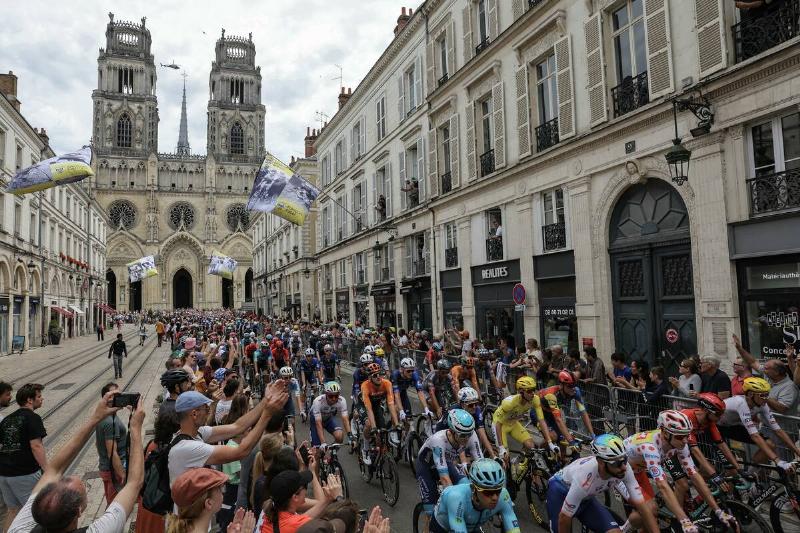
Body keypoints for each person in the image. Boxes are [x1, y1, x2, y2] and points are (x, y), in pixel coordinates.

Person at [8, 391, 145, 533]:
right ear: (79, 511)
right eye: (83, 488)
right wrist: (135, 428)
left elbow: (54, 469)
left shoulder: (18, 529)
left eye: (61, 481)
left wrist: (95, 418)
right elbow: (134, 484)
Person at [624, 410, 738, 533]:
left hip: (638, 470)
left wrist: (718, 511)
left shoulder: (679, 442)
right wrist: (684, 520)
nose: (685, 440)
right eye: (680, 436)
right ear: (665, 433)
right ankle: (623, 530)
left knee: (650, 522)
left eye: (687, 435)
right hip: (621, 473)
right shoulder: (649, 448)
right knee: (650, 510)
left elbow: (694, 475)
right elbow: (662, 486)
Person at [167, 382, 287, 488]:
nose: (209, 412)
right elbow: (241, 451)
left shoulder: (197, 433)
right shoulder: (188, 448)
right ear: (194, 414)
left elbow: (237, 427)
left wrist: (266, 401)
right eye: (206, 410)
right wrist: (267, 414)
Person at [547, 434, 658, 533]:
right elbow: (564, 518)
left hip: (586, 499)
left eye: (624, 460)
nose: (624, 467)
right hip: (560, 492)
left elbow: (642, 506)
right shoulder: (584, 479)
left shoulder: (624, 468)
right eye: (617, 463)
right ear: (601, 462)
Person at [716, 377, 800, 471]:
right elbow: (755, 436)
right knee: (732, 469)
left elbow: (778, 430)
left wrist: (797, 452)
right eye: (763, 395)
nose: (766, 398)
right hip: (716, 427)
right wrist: (778, 461)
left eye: (767, 395)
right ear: (750, 394)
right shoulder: (740, 403)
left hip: (732, 426)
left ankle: (749, 475)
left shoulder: (762, 404)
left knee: (770, 444)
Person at [416, 410, 483, 514]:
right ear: (452, 431)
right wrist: (454, 501)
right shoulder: (439, 440)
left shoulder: (471, 435)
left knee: (466, 485)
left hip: (446, 463)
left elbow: (481, 464)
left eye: (469, 434)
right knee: (431, 511)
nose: (466, 438)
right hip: (426, 466)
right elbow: (444, 478)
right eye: (462, 435)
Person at [0, 383, 46, 531]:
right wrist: (48, 470)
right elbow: (36, 446)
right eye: (38, 396)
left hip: (4, 474)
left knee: (12, 511)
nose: (42, 399)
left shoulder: (7, 419)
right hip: (24, 474)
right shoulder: (33, 418)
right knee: (34, 513)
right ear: (30, 400)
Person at [430, 458, 519, 533]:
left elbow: (513, 526)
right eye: (488, 492)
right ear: (473, 488)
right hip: (443, 526)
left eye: (498, 491)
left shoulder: (503, 496)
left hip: (472, 527)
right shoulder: (456, 498)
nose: (495, 497)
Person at [260, 470, 344, 533]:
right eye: (305, 486)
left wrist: (327, 500)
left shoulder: (272, 511)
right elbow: (344, 522)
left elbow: (303, 517)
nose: (306, 490)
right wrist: (338, 497)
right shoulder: (297, 525)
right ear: (295, 497)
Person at [493, 376, 555, 460]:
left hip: (513, 423)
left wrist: (550, 442)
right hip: (500, 425)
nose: (533, 393)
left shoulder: (535, 399)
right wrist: (501, 447)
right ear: (521, 392)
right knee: (505, 457)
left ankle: (519, 463)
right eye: (529, 391)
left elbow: (541, 420)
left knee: (531, 446)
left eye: (534, 389)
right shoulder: (509, 404)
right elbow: (498, 424)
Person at [95, 383, 128, 506]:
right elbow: (112, 452)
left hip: (107, 468)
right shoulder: (110, 422)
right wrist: (122, 475)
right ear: (106, 398)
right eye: (113, 395)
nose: (117, 397)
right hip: (114, 471)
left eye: (118, 394)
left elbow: (97, 444)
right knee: (116, 506)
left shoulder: (104, 416)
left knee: (112, 503)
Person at [358, 363, 399, 465]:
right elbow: (369, 409)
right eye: (375, 375)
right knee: (369, 425)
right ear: (369, 378)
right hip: (363, 405)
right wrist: (373, 428)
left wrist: (397, 424)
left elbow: (391, 404)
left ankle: (380, 453)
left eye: (380, 374)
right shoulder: (365, 386)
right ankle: (366, 449)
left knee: (382, 431)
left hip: (376, 405)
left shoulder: (387, 383)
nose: (378, 377)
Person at [309, 381, 352, 446]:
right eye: (331, 396)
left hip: (328, 418)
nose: (334, 399)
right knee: (317, 449)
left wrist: (350, 436)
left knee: (339, 436)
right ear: (326, 394)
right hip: (315, 421)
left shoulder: (342, 401)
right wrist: (323, 443)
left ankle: (331, 452)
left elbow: (345, 419)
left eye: (336, 396)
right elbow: (318, 423)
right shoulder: (318, 401)